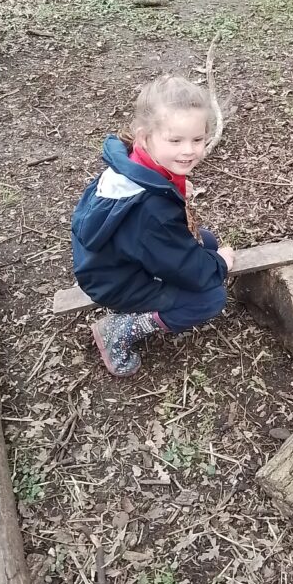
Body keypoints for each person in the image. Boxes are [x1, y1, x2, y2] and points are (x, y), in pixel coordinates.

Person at [72, 75, 234, 377]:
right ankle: (118, 330)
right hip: (114, 280)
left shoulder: (133, 164)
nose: (189, 151)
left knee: (206, 242)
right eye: (175, 140)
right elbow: (192, 270)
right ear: (144, 137)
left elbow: (165, 239)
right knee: (210, 297)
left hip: (112, 259)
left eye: (197, 140)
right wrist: (220, 266)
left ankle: (159, 287)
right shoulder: (151, 211)